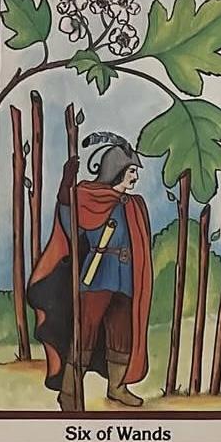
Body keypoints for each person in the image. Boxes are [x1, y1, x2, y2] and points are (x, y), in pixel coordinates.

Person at [28, 132, 153, 411]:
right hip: (95, 278)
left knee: (122, 335)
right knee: (85, 335)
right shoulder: (87, 198)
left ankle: (117, 388)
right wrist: (65, 189)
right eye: (131, 171)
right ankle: (70, 393)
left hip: (126, 280)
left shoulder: (134, 205)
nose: (135, 177)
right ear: (116, 171)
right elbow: (69, 225)